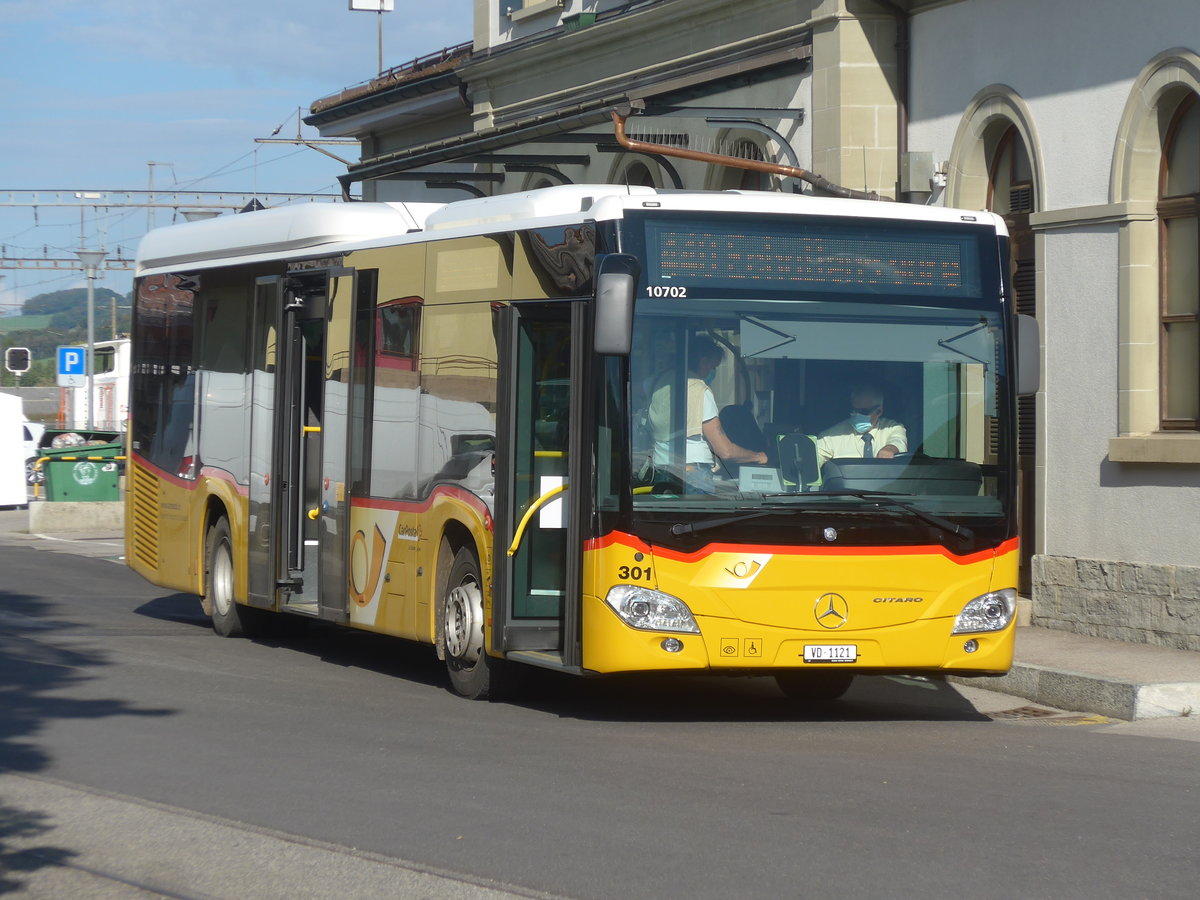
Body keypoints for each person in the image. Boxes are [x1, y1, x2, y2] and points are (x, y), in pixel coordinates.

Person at [648, 336, 768, 492]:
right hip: (692, 474)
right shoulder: (700, 391)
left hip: (662, 470)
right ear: (703, 362)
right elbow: (725, 451)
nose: (712, 372)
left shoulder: (661, 382)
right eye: (713, 367)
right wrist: (758, 457)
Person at [816, 384, 907, 467]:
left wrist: (890, 449)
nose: (856, 415)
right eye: (854, 410)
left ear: (879, 411)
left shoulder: (892, 428)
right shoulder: (830, 436)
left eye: (863, 411)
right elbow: (813, 463)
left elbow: (898, 441)